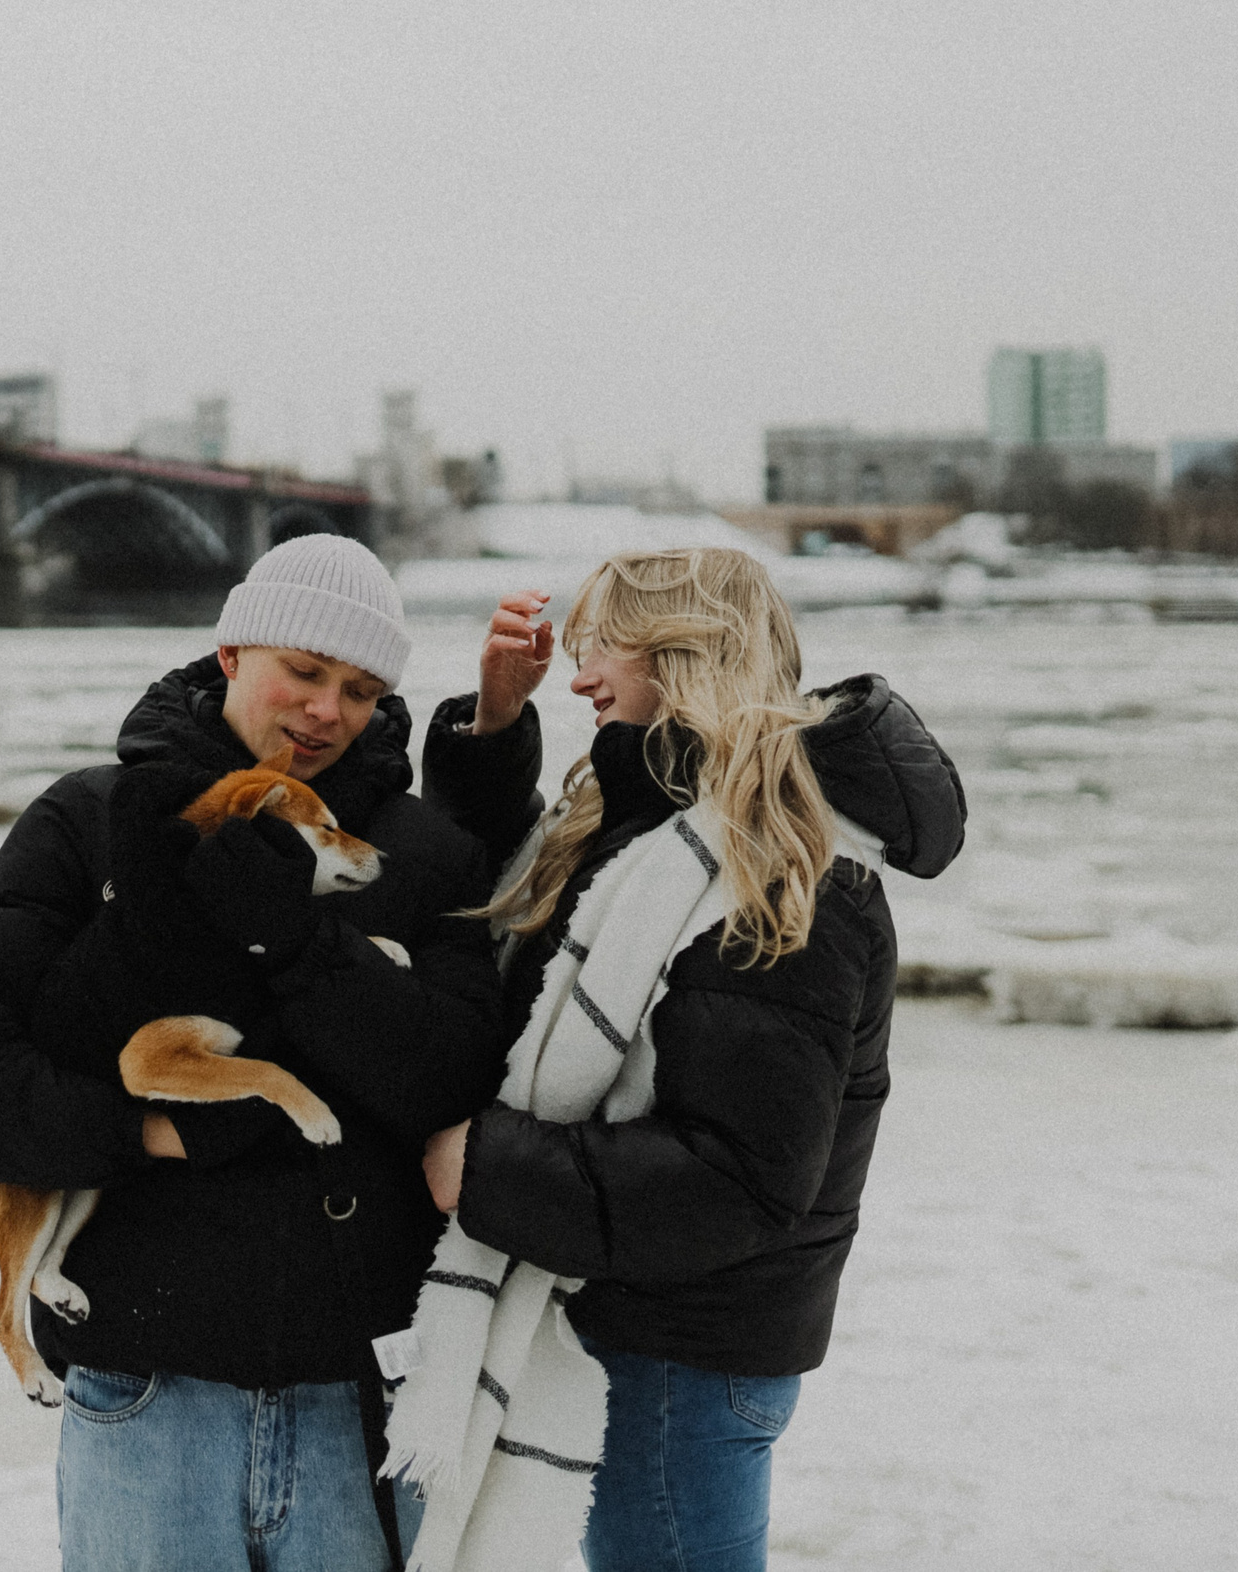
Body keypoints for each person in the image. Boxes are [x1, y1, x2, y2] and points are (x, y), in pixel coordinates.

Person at [0, 534, 509, 1572]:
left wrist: (298, 941)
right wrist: (154, 1130)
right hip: (146, 1400)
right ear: (231, 655)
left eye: (360, 691)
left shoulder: (421, 857)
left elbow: (448, 1077)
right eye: (303, 673)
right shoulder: (89, 821)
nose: (326, 711)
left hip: (360, 1404)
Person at [407, 550, 965, 1572]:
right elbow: (501, 933)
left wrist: (484, 1167)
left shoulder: (778, 873)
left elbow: (738, 1177)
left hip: (676, 1356)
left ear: (687, 650)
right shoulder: (639, 830)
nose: (576, 677)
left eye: (603, 644)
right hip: (617, 1326)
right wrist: (492, 731)